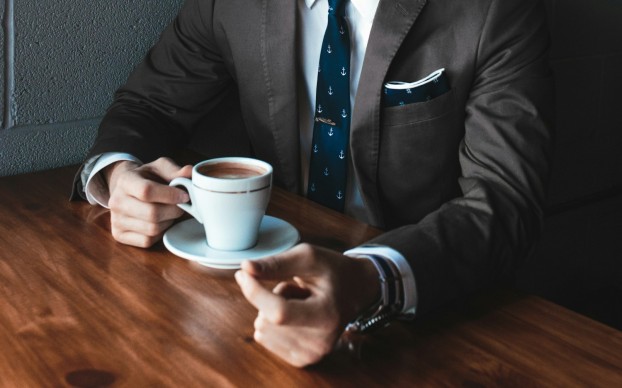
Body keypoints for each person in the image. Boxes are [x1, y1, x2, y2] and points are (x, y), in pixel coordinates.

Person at [73, 0, 554, 367]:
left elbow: (504, 199)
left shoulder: (495, 10)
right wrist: (116, 175)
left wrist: (371, 278)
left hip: (427, 318)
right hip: (247, 298)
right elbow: (148, 105)